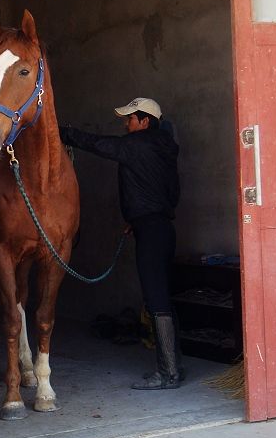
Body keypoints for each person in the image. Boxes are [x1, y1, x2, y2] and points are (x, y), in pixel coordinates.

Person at [59, 97, 184, 390]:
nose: (126, 124)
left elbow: (100, 145)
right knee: (164, 295)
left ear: (144, 121)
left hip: (151, 232)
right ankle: (175, 366)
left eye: (130, 119)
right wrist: (140, 218)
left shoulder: (136, 145)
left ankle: (167, 374)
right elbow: (168, 194)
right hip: (162, 228)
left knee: (156, 300)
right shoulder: (165, 148)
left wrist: (64, 133)